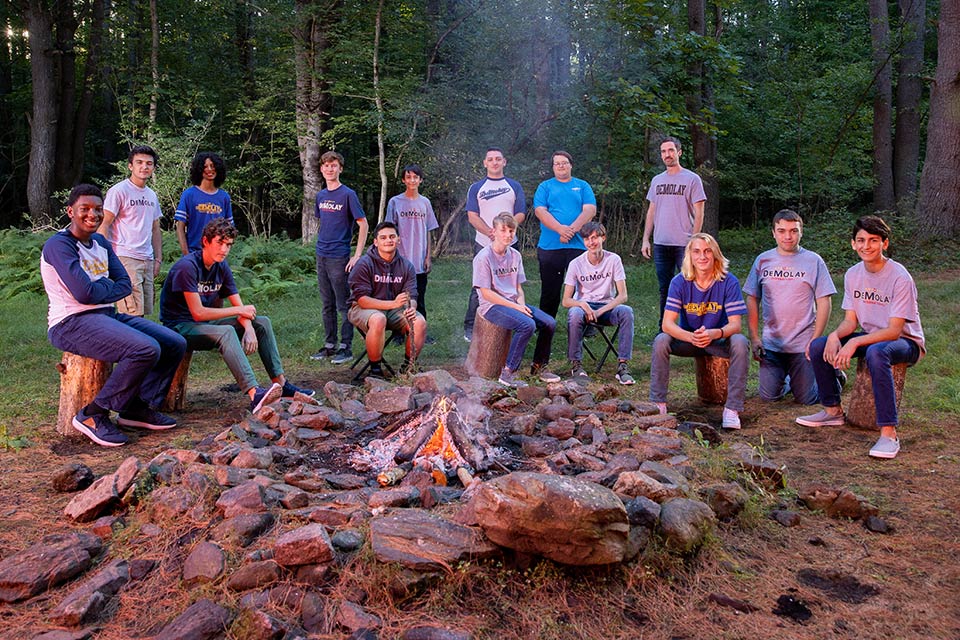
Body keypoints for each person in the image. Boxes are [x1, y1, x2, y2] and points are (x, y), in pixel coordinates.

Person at [41, 184, 186, 447]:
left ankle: (135, 408)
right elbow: (83, 294)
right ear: (70, 211)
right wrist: (105, 287)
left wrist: (100, 288)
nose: (92, 215)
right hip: (70, 322)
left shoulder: (100, 242)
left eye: (97, 209)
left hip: (106, 315)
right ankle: (93, 414)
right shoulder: (59, 245)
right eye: (84, 209)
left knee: (174, 343)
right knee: (144, 349)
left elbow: (123, 284)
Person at [797, 216, 924, 460]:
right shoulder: (853, 273)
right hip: (870, 337)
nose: (867, 246)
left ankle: (888, 433)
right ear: (853, 244)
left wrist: (854, 342)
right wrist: (835, 335)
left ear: (884, 243)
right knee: (819, 346)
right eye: (861, 240)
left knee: (877, 352)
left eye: (873, 240)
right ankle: (832, 411)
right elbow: (851, 321)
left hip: (905, 343)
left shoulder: (899, 276)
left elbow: (894, 331)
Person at [159, 219, 314, 413]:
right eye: (220, 243)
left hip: (204, 324)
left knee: (262, 323)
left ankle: (282, 385)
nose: (224, 249)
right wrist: (239, 312)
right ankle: (254, 394)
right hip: (178, 328)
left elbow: (241, 307)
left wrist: (249, 328)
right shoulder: (187, 267)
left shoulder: (221, 267)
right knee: (226, 332)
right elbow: (198, 313)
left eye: (229, 245)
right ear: (206, 241)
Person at [650, 233, 749, 429]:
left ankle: (732, 409)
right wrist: (691, 337)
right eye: (697, 252)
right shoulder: (679, 281)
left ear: (715, 255)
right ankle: (657, 404)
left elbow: (735, 325)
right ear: (689, 256)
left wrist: (715, 333)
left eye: (707, 251)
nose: (702, 257)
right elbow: (667, 324)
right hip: (689, 340)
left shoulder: (729, 281)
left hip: (717, 340)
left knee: (740, 341)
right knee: (661, 340)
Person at [744, 210, 836, 404]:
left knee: (807, 399)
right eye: (782, 230)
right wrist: (755, 338)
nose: (788, 236)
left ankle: (834, 375)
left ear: (801, 232)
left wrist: (815, 339)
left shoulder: (814, 261)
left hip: (803, 346)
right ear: (773, 233)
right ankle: (788, 378)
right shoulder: (762, 260)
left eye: (793, 231)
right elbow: (752, 298)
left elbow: (824, 301)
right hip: (772, 346)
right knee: (769, 396)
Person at [473, 213, 559, 388]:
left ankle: (538, 367)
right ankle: (508, 373)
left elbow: (518, 287)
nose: (508, 235)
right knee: (527, 325)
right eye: (503, 230)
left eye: (511, 231)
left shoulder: (515, 255)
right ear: (494, 232)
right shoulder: (483, 257)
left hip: (513, 303)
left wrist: (520, 305)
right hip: (492, 306)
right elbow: (486, 293)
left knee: (549, 322)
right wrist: (515, 306)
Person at [347, 221, 427, 378]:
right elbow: (362, 300)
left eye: (392, 237)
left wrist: (411, 307)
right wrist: (393, 303)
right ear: (376, 242)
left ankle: (408, 367)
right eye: (383, 238)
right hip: (362, 309)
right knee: (378, 319)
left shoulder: (406, 266)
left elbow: (412, 295)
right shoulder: (364, 264)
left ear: (398, 240)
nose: (388, 240)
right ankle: (375, 370)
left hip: (395, 311)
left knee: (419, 322)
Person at [311, 150, 369, 365]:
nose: (329, 169)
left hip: (339, 256)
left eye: (333, 165)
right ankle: (329, 345)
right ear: (321, 169)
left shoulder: (348, 195)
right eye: (326, 165)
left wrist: (357, 255)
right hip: (322, 254)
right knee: (326, 303)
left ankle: (346, 347)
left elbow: (363, 224)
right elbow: (322, 222)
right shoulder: (321, 196)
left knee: (343, 304)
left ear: (340, 169)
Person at [641, 137, 707, 324]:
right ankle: (665, 328)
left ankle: (691, 328)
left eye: (670, 150)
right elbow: (652, 211)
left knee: (690, 286)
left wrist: (694, 241)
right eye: (663, 151)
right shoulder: (657, 180)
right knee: (665, 288)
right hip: (661, 244)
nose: (667, 155)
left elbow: (699, 211)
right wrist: (646, 238)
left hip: (684, 244)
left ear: (679, 152)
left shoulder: (692, 179)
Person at [463, 147, 526, 342]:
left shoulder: (514, 186)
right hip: (484, 243)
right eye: (490, 159)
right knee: (480, 287)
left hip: (509, 243)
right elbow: (472, 215)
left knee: (510, 285)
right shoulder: (476, 187)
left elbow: (520, 214)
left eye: (498, 159)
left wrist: (504, 232)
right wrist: (490, 232)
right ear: (485, 163)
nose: (494, 162)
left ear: (504, 162)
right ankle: (471, 327)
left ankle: (513, 321)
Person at [562, 221, 635, 385]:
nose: (591, 242)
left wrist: (600, 312)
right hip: (585, 308)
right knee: (574, 314)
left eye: (595, 238)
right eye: (587, 239)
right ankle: (576, 365)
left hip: (607, 308)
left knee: (626, 312)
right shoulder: (576, 264)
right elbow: (566, 301)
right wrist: (582, 305)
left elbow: (623, 296)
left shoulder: (613, 260)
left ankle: (623, 366)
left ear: (603, 238)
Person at [99, 145, 164, 317]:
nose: (144, 167)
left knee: (144, 311)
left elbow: (156, 229)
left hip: (147, 259)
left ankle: (138, 342)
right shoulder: (119, 191)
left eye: (149, 163)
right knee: (131, 313)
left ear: (153, 168)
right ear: (130, 166)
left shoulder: (151, 195)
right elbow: (104, 224)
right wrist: (106, 257)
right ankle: (128, 344)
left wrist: (158, 259)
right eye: (139, 162)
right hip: (125, 257)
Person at [533, 151, 597, 318]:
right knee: (550, 288)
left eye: (564, 162)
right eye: (557, 163)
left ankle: (586, 321)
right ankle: (546, 322)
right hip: (550, 246)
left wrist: (571, 230)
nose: (561, 165)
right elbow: (540, 211)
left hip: (578, 246)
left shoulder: (583, 186)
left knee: (583, 287)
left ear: (571, 165)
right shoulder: (545, 187)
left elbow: (590, 209)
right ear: (553, 167)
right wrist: (560, 229)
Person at [384, 164, 439, 327]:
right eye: (408, 177)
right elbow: (388, 230)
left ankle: (420, 330)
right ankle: (399, 330)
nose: (412, 180)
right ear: (403, 180)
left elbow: (429, 230)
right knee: (399, 296)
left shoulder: (425, 203)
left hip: (419, 258)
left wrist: (428, 256)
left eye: (415, 177)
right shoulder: (395, 202)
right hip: (399, 259)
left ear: (420, 180)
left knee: (419, 297)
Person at [174, 152, 234, 255]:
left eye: (213, 166)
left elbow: (230, 229)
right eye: (205, 166)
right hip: (194, 253)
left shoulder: (224, 197)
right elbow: (180, 227)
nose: (209, 169)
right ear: (199, 169)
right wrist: (186, 254)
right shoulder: (189, 194)